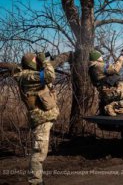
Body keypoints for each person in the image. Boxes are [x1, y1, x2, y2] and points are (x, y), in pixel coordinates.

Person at [1, 52, 71, 185]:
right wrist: (45, 62)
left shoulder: (28, 74)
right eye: (35, 60)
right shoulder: (27, 76)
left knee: (40, 150)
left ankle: (37, 180)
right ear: (30, 63)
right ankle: (35, 181)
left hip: (44, 118)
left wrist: (44, 62)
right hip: (41, 119)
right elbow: (50, 76)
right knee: (39, 151)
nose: (38, 61)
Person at [88, 50, 123, 116]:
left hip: (103, 93)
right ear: (97, 58)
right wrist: (120, 60)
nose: (102, 57)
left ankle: (112, 109)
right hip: (109, 91)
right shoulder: (99, 65)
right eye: (100, 56)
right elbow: (114, 69)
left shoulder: (92, 68)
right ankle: (111, 106)